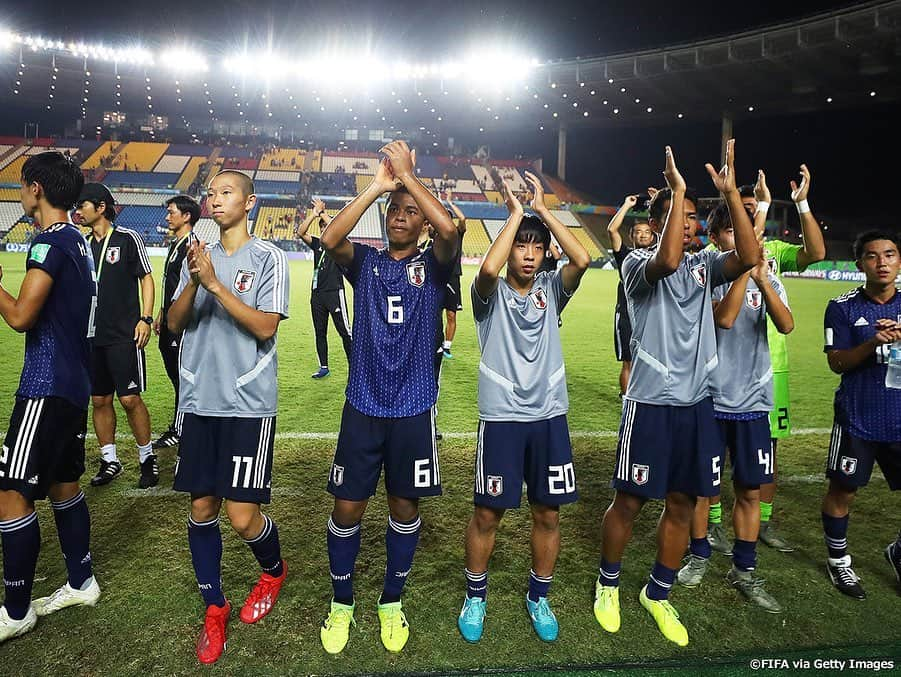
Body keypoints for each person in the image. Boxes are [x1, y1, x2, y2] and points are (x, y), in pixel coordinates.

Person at [593, 141, 760, 647]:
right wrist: (678, 188)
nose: (689, 225)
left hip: (698, 405)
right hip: (650, 404)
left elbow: (750, 256)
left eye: (692, 218)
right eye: (680, 216)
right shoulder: (637, 265)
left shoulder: (705, 265)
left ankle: (657, 591)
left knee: (685, 503)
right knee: (630, 501)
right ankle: (608, 584)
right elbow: (666, 259)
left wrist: (730, 196)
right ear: (664, 218)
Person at [318, 141, 459, 655]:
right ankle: (342, 603)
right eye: (392, 211)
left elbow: (450, 231)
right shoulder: (367, 263)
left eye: (409, 212)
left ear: (421, 222)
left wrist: (409, 180)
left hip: (414, 410)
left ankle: (391, 603)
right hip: (363, 407)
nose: (399, 217)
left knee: (404, 507)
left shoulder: (436, 264)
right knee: (347, 508)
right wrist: (379, 184)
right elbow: (331, 237)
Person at [458, 173, 589, 643]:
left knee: (547, 514)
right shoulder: (486, 298)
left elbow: (584, 258)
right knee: (488, 515)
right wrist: (515, 214)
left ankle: (539, 595)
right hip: (502, 420)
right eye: (521, 246)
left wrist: (544, 210)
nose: (530, 254)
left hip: (549, 417)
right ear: (509, 247)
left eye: (537, 247)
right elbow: (488, 273)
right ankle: (476, 595)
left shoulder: (551, 291)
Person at [167, 170, 290, 664]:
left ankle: (273, 569)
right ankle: (214, 607)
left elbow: (264, 327)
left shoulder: (269, 259)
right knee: (201, 508)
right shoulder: (195, 256)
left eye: (226, 192)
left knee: (241, 516)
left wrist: (215, 284)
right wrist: (196, 281)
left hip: (246, 405)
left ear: (250, 202)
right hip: (199, 399)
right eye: (210, 193)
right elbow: (173, 324)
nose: (214, 200)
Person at [0, 152, 99, 642]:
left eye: (21, 185)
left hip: (44, 385)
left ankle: (16, 609)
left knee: (12, 493)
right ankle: (82, 581)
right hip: (74, 385)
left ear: (36, 188)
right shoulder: (78, 241)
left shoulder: (48, 242)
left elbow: (20, 316)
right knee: (63, 485)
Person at [677, 202, 793, 614]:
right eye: (733, 232)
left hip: (753, 403)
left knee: (749, 489)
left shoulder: (771, 281)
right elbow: (724, 320)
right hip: (709, 399)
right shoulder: (706, 278)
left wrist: (761, 279)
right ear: (717, 238)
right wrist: (746, 270)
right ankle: (698, 555)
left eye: (752, 235)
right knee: (701, 491)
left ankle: (745, 569)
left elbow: (786, 325)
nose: (746, 241)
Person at [704, 167, 826, 554]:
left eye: (756, 211)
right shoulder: (712, 259)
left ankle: (762, 525)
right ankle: (714, 526)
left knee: (765, 454)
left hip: (770, 368)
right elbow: (721, 315)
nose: (751, 218)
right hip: (720, 373)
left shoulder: (770, 254)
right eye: (743, 211)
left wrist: (799, 203)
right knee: (712, 463)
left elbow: (816, 254)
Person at [819, 230, 901, 600]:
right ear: (860, 264)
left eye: (889, 254)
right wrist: (872, 343)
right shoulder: (843, 307)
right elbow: (837, 363)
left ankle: (898, 552)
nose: (882, 262)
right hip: (859, 419)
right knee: (844, 490)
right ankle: (839, 562)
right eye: (872, 256)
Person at [74, 184, 157, 488]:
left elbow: (146, 278)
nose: (77, 210)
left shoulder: (126, 238)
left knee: (130, 398)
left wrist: (145, 318)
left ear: (100, 207)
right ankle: (110, 460)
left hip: (124, 334)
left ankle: (147, 457)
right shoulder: (82, 245)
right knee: (99, 400)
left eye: (83, 205)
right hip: (92, 337)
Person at [152, 195, 200, 450]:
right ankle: (184, 424)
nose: (167, 216)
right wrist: (162, 311)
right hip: (170, 319)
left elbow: (190, 289)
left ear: (186, 216)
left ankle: (181, 430)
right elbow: (171, 286)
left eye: (172, 212)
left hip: (181, 325)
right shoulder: (177, 244)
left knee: (183, 376)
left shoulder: (192, 246)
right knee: (176, 376)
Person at [296, 198, 352, 379]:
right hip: (317, 294)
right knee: (320, 331)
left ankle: (355, 368)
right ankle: (324, 367)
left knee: (345, 332)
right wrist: (313, 215)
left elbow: (338, 227)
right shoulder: (317, 244)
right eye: (321, 227)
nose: (323, 230)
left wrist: (322, 214)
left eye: (326, 227)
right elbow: (300, 232)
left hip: (335, 292)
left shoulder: (340, 245)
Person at [607, 195, 655, 397]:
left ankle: (644, 396)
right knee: (629, 361)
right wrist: (626, 204)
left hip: (650, 315)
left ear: (653, 236)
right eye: (638, 232)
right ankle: (627, 400)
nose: (643, 236)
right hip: (626, 316)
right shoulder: (625, 256)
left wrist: (658, 204)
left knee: (650, 359)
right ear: (631, 236)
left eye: (647, 232)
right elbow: (611, 230)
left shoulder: (657, 255)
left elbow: (671, 232)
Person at [441, 191, 467, 360]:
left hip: (453, 278)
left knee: (451, 314)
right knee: (431, 313)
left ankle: (447, 346)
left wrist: (449, 203)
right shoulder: (435, 235)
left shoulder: (458, 233)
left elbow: (463, 219)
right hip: (436, 277)